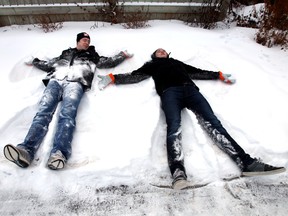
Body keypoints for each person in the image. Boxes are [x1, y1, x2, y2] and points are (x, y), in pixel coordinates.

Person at [98, 48, 286, 190]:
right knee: (174, 127)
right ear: (154, 56)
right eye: (158, 51)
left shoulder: (177, 63)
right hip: (169, 93)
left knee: (214, 124)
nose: (162, 51)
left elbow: (196, 71)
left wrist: (218, 75)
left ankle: (247, 163)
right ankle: (178, 172)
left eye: (164, 50)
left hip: (191, 91)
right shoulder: (151, 65)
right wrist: (113, 78)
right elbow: (135, 76)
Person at [3, 32, 133, 170]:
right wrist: (35, 61)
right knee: (43, 113)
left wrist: (122, 55)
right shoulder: (65, 53)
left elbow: (108, 62)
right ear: (77, 41)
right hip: (55, 81)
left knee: (67, 115)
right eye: (84, 40)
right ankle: (26, 151)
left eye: (88, 41)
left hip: (76, 83)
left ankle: (59, 154)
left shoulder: (92, 55)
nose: (86, 42)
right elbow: (49, 64)